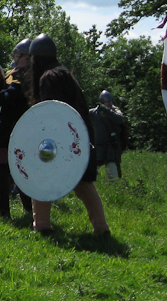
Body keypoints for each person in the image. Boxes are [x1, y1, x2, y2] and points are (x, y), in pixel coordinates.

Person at [23, 33, 109, 237]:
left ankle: (42, 226)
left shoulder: (49, 77)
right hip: (79, 136)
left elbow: (53, 115)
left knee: (40, 178)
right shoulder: (63, 73)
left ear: (36, 59)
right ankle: (102, 230)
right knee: (83, 185)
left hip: (64, 138)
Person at [0, 39, 34, 219]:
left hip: (14, 126)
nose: (14, 58)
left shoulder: (25, 76)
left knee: (2, 166)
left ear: (25, 57)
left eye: (16, 55)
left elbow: (10, 97)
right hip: (21, 127)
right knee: (21, 169)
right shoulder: (22, 74)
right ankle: (31, 210)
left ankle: (3, 211)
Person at [89, 90, 128, 181]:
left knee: (111, 176)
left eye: (110, 101)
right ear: (102, 102)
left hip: (111, 147)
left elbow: (120, 119)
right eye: (107, 101)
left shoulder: (114, 111)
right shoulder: (93, 113)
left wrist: (108, 112)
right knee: (92, 173)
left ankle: (112, 191)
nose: (109, 103)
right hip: (98, 147)